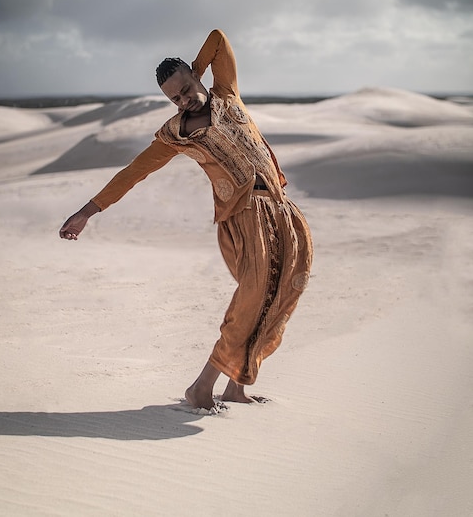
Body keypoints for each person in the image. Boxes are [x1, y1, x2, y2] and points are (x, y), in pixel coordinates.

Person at [59, 29, 313, 412]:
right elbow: (131, 174)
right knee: (253, 296)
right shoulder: (175, 135)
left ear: (199, 77)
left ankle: (236, 387)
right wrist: (86, 212)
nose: (183, 100)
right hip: (244, 218)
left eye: (186, 90)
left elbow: (219, 39)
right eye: (174, 98)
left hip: (280, 208)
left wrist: (193, 70)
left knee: (281, 292)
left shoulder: (227, 93)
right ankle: (201, 387)